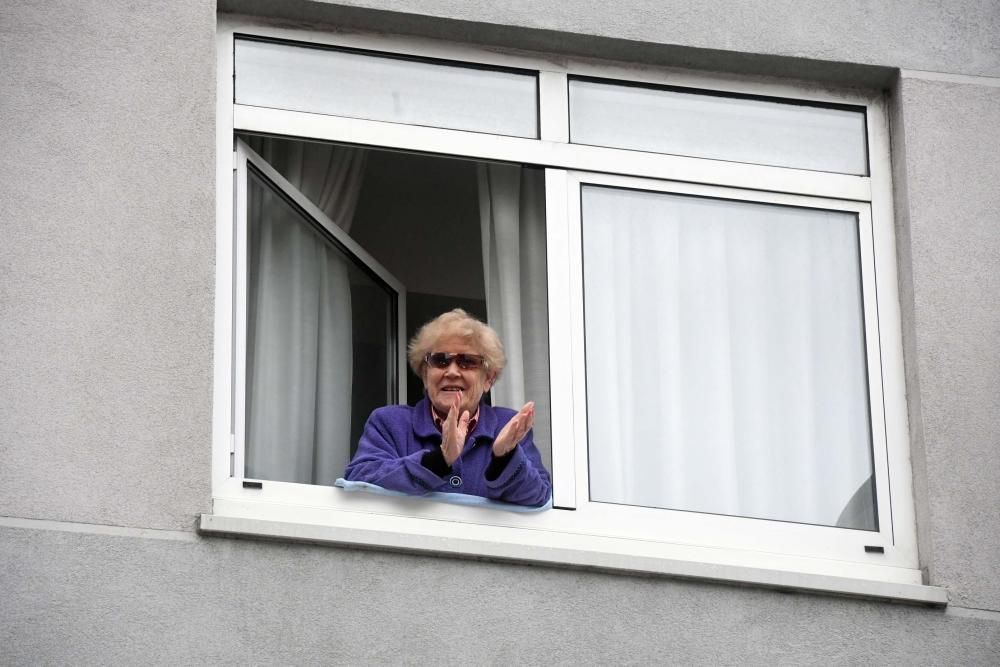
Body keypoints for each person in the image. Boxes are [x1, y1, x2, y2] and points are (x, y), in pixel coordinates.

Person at [344, 309, 551, 507]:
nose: (451, 371)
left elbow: (539, 496)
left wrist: (504, 457)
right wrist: (438, 460)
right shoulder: (389, 422)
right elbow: (359, 480)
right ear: (425, 375)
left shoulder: (508, 426)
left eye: (467, 362)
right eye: (440, 361)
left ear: (488, 378)